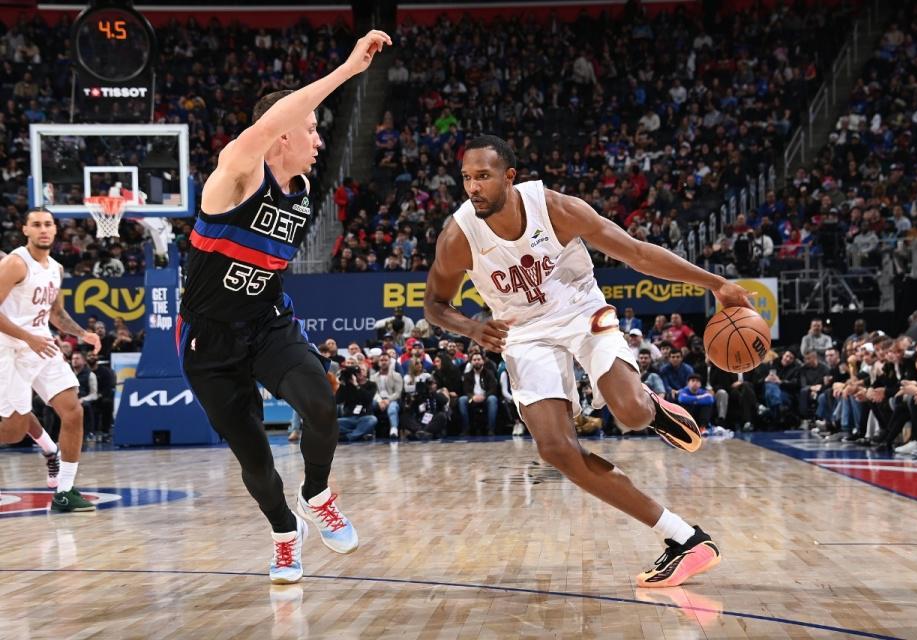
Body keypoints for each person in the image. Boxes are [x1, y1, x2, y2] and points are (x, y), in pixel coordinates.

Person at [424, 135, 752, 588]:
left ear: (509, 177)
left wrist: (717, 284)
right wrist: (472, 328)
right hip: (524, 334)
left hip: (581, 311)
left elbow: (637, 253)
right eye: (466, 178)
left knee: (631, 414)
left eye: (483, 176)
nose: (473, 187)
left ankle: (650, 406)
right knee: (555, 449)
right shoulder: (458, 235)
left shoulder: (556, 208)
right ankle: (684, 538)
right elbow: (434, 304)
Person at [175, 30, 390, 584]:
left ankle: (316, 494)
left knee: (321, 407)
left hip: (267, 322)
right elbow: (267, 127)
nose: (318, 140)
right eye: (311, 129)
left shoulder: (303, 188)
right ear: (280, 135)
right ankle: (284, 534)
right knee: (255, 459)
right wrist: (348, 70)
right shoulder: (237, 175)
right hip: (208, 337)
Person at [0, 207, 102, 510]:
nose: (43, 229)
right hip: (11, 349)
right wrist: (27, 337)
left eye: (48, 224)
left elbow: (56, 314)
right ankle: (48, 452)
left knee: (73, 411)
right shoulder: (15, 263)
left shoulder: (56, 268)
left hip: (42, 346)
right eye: (36, 224)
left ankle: (65, 491)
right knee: (14, 431)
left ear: (56, 230)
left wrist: (83, 334)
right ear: (25, 230)